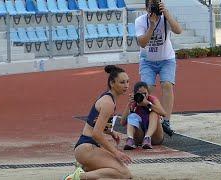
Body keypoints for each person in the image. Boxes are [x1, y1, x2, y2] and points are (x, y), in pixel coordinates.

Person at [64, 65, 132, 180]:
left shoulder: (108, 98)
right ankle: (79, 176)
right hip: (86, 148)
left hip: (86, 147)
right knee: (125, 174)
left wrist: (111, 132)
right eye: (122, 82)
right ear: (112, 83)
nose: (126, 86)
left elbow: (96, 124)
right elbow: (96, 134)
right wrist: (116, 152)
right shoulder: (108, 103)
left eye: (127, 82)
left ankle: (85, 167)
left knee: (118, 171)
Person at [135, 0, 182, 136]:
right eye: (151, 5)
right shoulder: (140, 21)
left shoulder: (166, 18)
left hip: (166, 59)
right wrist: (152, 26)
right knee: (147, 89)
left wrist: (166, 14)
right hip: (147, 61)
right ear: (146, 7)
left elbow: (178, 30)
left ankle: (166, 120)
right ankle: (147, 118)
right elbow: (142, 43)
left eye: (157, 4)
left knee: (167, 85)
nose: (154, 8)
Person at [120, 81, 167, 150]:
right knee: (132, 116)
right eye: (140, 94)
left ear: (148, 93)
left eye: (145, 93)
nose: (143, 96)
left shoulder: (152, 99)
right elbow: (122, 122)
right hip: (140, 136)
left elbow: (163, 113)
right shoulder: (134, 103)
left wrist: (148, 104)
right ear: (135, 94)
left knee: (154, 113)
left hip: (155, 136)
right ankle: (130, 139)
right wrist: (129, 104)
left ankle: (147, 138)